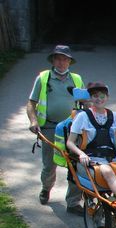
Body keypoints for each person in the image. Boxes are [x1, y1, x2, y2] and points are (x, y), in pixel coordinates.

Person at [65, 82, 116, 228]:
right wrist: (81, 153)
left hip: (113, 157)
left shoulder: (112, 117)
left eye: (102, 96)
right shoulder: (82, 117)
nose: (98, 99)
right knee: (107, 171)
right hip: (92, 158)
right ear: (90, 98)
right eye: (95, 96)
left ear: (107, 97)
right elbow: (70, 143)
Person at [26, 45, 84, 214]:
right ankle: (46, 188)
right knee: (50, 164)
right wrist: (33, 120)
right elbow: (31, 102)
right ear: (53, 60)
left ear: (69, 62)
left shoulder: (77, 79)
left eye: (65, 59)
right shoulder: (43, 78)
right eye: (58, 58)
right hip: (50, 127)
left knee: (76, 164)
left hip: (72, 129)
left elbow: (85, 103)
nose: (61, 62)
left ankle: (73, 203)